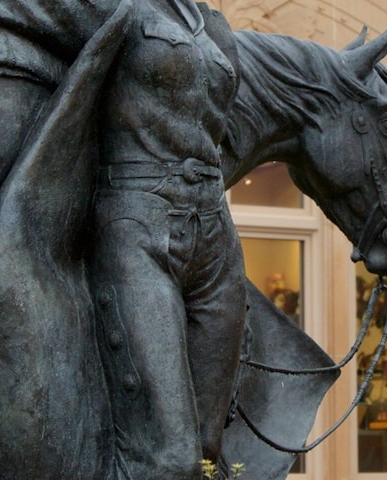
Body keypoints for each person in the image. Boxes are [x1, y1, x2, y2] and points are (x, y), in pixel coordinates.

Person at [86, 0, 249, 477]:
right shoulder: (112, 5)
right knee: (169, 453)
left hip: (215, 234)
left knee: (207, 445)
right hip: (139, 223)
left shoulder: (211, 22)